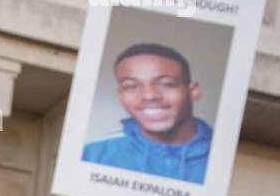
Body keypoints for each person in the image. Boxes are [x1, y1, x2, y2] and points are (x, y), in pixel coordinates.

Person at [82, 44, 212, 185]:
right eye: (131, 86)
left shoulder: (225, 157)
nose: (149, 95)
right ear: (120, 96)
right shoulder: (92, 154)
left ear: (193, 92)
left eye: (165, 84)